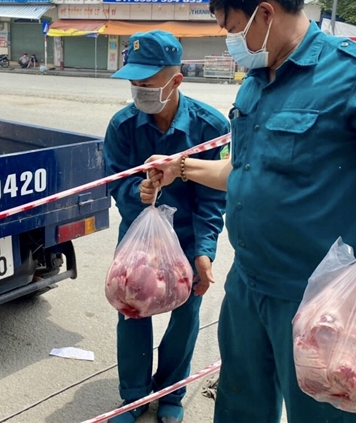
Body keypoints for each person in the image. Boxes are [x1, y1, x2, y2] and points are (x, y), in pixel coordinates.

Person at [147, 0, 356, 423]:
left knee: (321, 415)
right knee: (240, 406)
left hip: (321, 299)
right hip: (247, 286)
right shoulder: (256, 82)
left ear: (265, 14)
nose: (229, 42)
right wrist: (181, 169)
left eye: (231, 28)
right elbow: (242, 172)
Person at [104, 30, 229, 423]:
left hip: (189, 239)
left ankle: (172, 392)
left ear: (176, 80)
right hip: (138, 243)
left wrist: (204, 252)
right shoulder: (123, 126)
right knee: (132, 313)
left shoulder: (211, 126)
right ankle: (134, 397)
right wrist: (134, 192)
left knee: (185, 318)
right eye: (134, 82)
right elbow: (113, 180)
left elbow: (214, 197)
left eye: (148, 82)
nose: (139, 89)